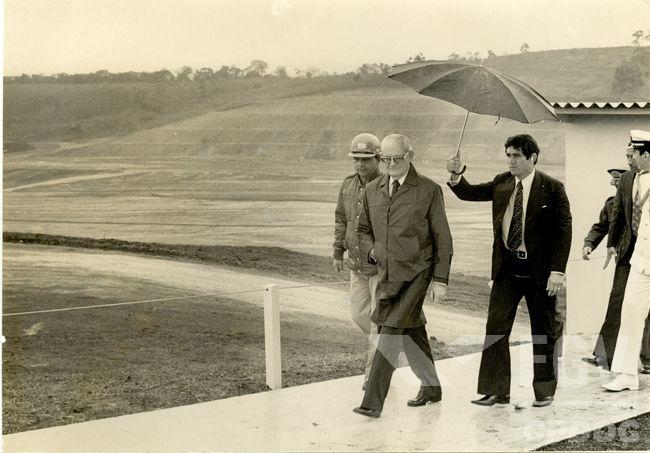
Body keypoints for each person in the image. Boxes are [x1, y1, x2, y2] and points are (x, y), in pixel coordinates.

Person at [447, 134, 571, 408]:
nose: (510, 161)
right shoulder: (502, 182)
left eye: (516, 156)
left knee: (543, 331)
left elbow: (564, 232)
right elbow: (470, 193)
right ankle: (496, 391)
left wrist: (558, 271)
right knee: (496, 328)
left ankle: (544, 389)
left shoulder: (552, 188)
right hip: (507, 270)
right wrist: (456, 176)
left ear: (532, 158)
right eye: (508, 155)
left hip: (540, 273)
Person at [352, 134, 453, 418]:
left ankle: (372, 403)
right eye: (385, 159)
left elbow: (443, 238)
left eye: (397, 158)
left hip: (418, 273)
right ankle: (431, 387)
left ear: (410, 156)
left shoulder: (429, 190)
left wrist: (440, 280)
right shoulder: (372, 190)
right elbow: (362, 230)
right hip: (388, 274)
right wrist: (373, 250)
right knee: (411, 329)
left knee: (390, 329)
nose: (391, 164)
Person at [582, 153, 650, 370]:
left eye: (618, 179)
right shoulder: (611, 204)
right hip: (626, 258)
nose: (615, 183)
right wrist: (590, 243)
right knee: (617, 303)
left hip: (646, 257)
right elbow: (601, 226)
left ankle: (647, 359)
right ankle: (605, 355)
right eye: (614, 180)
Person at [333, 133, 382, 389]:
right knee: (359, 315)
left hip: (380, 267)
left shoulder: (386, 185)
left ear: (378, 159)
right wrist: (337, 252)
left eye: (366, 159)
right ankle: (388, 351)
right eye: (356, 159)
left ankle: (373, 378)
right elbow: (341, 218)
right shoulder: (347, 184)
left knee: (377, 322)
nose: (360, 164)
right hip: (356, 265)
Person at [603, 129, 650, 391]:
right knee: (630, 314)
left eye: (635, 154)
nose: (631, 159)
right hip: (641, 262)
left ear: (646, 155)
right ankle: (627, 374)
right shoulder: (635, 179)